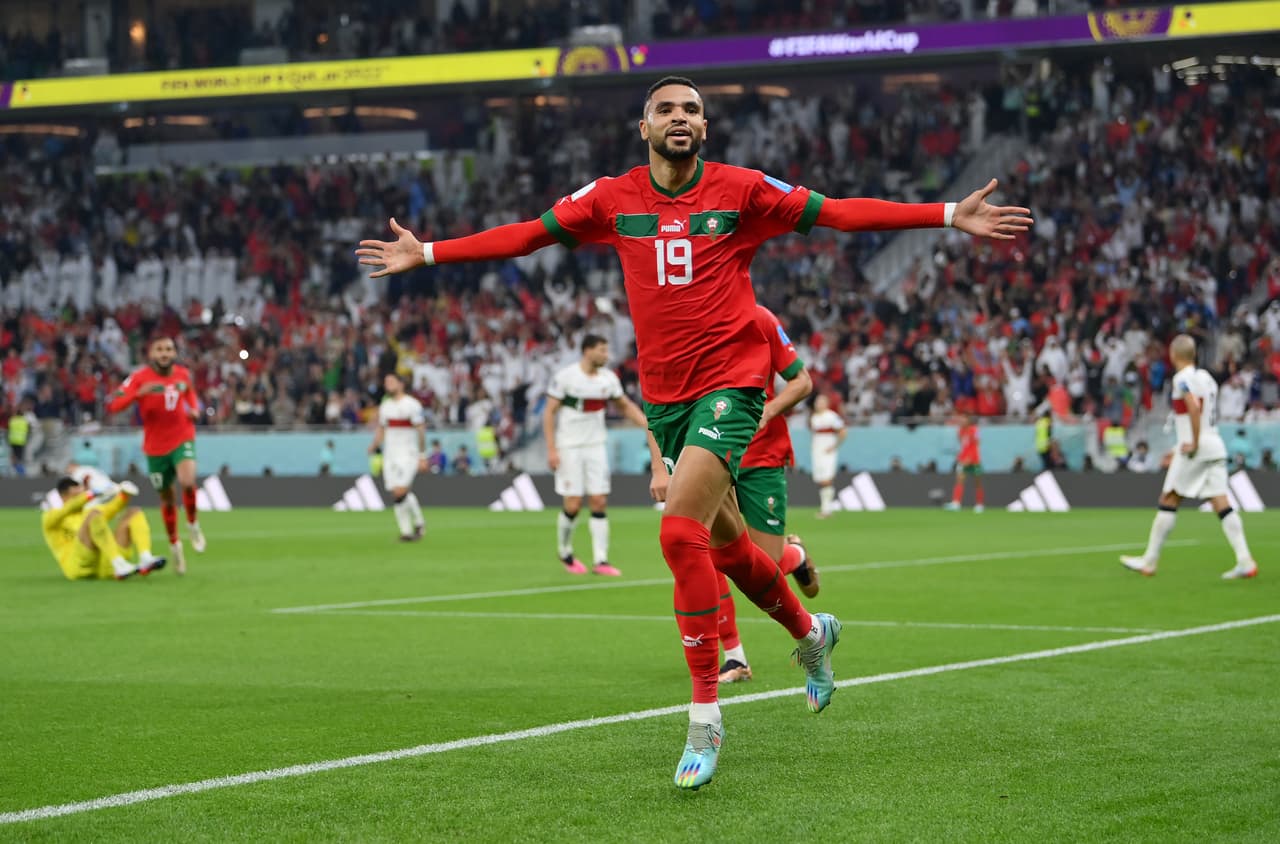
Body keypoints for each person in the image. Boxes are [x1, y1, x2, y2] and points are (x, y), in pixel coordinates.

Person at [356, 75, 1031, 789]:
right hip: (667, 398)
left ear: (705, 130)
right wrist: (427, 254)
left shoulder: (741, 191)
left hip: (731, 385)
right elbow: (526, 236)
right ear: (643, 128)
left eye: (692, 111)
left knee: (678, 534)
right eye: (666, 110)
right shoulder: (610, 199)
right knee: (733, 550)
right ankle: (810, 633)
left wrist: (949, 212)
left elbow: (840, 214)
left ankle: (704, 719)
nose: (680, 118)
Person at [718, 305, 819, 685]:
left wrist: (767, 411)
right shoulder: (692, 318)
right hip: (714, 452)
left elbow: (801, 381)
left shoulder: (761, 320)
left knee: (764, 570)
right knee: (711, 554)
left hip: (762, 456)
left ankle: (795, 555)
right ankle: (734, 658)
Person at [1121, 335, 1258, 579]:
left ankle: (1149, 562)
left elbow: (1193, 408)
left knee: (1169, 498)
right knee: (1221, 503)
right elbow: (1201, 413)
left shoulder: (1181, 379)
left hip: (1197, 447)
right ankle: (1245, 560)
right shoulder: (1207, 378)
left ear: (1173, 355)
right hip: (1214, 443)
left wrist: (1192, 443)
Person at [544, 333, 652, 577]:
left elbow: (625, 406)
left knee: (599, 500)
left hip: (595, 446)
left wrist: (647, 424)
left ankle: (601, 560)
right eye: (602, 350)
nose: (607, 355)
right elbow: (549, 413)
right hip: (569, 446)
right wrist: (551, 449)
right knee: (572, 504)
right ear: (587, 350)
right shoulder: (566, 378)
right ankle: (565, 551)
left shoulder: (608, 380)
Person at [105, 336, 204, 574]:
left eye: (169, 349)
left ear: (174, 353)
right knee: (168, 498)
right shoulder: (139, 378)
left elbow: (190, 395)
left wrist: (195, 410)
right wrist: (138, 393)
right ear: (151, 354)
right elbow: (114, 404)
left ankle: (193, 524)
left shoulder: (183, 374)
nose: (164, 353)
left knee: (188, 482)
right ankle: (175, 545)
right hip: (155, 447)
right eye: (159, 349)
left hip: (182, 436)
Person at [42, 476, 167, 580]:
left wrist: (124, 494)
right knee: (94, 515)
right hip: (77, 568)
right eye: (77, 491)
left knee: (133, 513)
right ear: (64, 495)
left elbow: (112, 508)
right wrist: (90, 494)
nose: (81, 493)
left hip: (102, 567)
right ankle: (118, 563)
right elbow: (68, 508)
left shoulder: (87, 512)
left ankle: (145, 556)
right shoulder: (52, 518)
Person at [368, 372, 427, 542]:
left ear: (401, 384)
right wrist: (374, 445)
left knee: (400, 491)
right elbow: (382, 428)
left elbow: (421, 430)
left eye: (391, 381)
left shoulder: (412, 405)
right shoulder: (385, 406)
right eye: (386, 381)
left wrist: (422, 456)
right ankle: (414, 527)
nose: (387, 384)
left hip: (408, 453)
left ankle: (409, 530)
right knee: (397, 492)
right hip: (390, 454)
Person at [809, 393, 846, 518]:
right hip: (817, 451)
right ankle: (825, 508)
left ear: (827, 403)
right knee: (820, 479)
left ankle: (826, 510)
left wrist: (834, 446)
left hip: (828, 450)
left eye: (821, 402)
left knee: (827, 479)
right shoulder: (814, 418)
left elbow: (843, 431)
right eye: (817, 402)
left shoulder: (832, 416)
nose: (818, 404)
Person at [945, 413, 984, 512]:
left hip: (975, 460)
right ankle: (956, 503)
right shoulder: (960, 431)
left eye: (963, 419)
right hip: (963, 459)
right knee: (959, 479)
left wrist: (970, 458)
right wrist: (961, 457)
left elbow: (977, 444)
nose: (961, 421)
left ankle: (979, 504)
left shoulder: (975, 430)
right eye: (960, 419)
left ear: (968, 420)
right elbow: (963, 446)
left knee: (977, 482)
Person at [7, 397, 33, 476]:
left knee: (14, 457)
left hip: (12, 441)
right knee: (20, 458)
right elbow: (30, 429)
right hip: (21, 441)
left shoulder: (12, 420)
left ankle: (17, 470)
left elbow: (8, 428)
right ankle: (21, 471)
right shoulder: (24, 421)